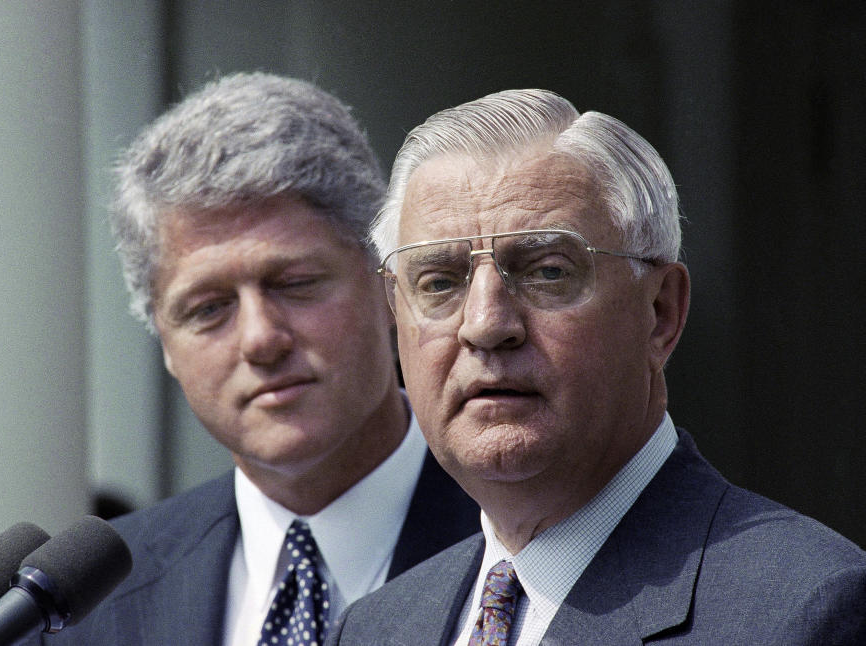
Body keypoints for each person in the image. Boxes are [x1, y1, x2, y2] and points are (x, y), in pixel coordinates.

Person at [328, 89, 866, 645]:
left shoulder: (803, 612)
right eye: (439, 282)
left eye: (547, 271)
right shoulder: (373, 628)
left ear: (660, 314)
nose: (485, 324)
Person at [31, 72, 478, 645]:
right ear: (165, 345)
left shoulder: (527, 537)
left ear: (389, 287)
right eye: (209, 308)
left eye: (294, 283)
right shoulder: (89, 607)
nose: (261, 339)